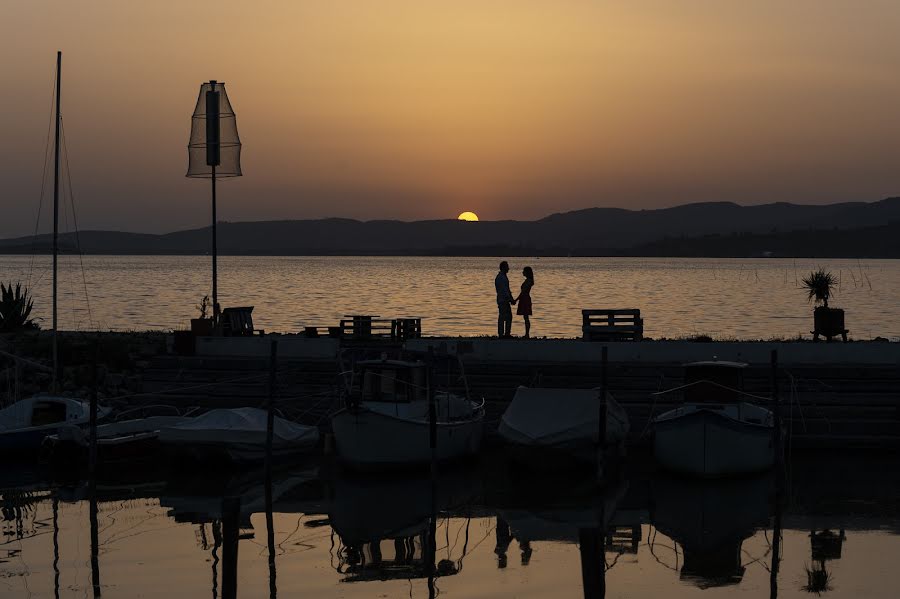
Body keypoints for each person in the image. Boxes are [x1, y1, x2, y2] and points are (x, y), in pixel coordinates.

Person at [495, 261, 514, 338]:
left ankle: (504, 333)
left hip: (503, 299)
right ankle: (503, 334)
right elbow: (504, 290)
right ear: (503, 267)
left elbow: (507, 289)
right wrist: (510, 299)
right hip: (503, 300)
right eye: (507, 267)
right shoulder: (501, 277)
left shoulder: (503, 276)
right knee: (504, 316)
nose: (508, 268)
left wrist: (511, 298)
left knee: (506, 316)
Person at [516, 266, 534, 338]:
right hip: (524, 299)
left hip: (525, 299)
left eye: (524, 271)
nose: (522, 272)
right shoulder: (527, 280)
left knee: (526, 317)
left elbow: (523, 292)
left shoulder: (529, 281)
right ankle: (526, 334)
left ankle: (527, 334)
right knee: (525, 317)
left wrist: (516, 300)